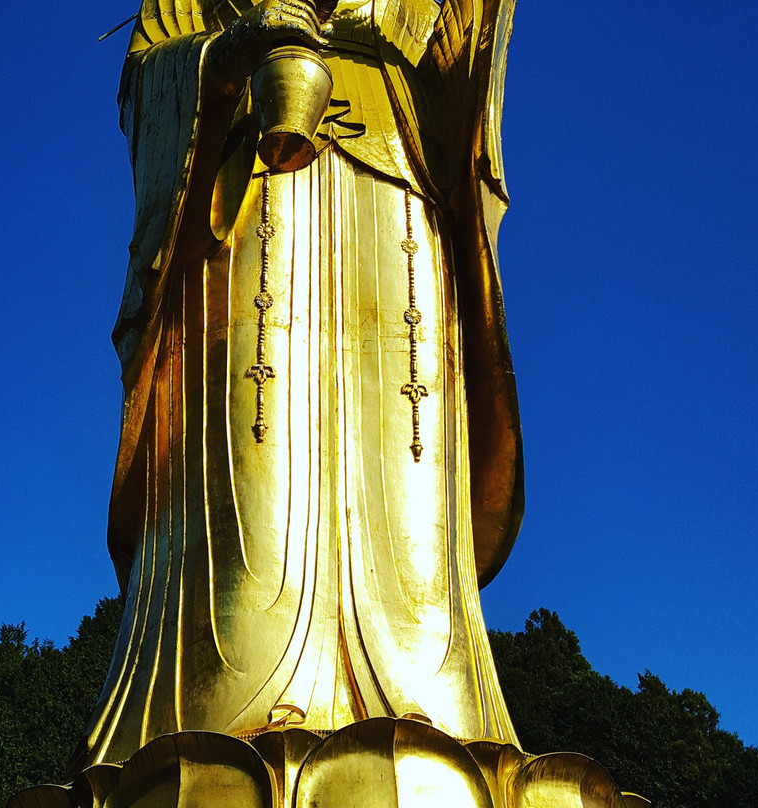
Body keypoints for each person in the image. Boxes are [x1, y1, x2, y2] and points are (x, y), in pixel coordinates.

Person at [73, 0, 524, 771]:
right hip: (247, 201)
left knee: (407, 498)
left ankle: (439, 726)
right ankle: (214, 720)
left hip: (399, 195)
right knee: (259, 500)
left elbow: (467, 87)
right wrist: (224, 57)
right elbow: (148, 77)